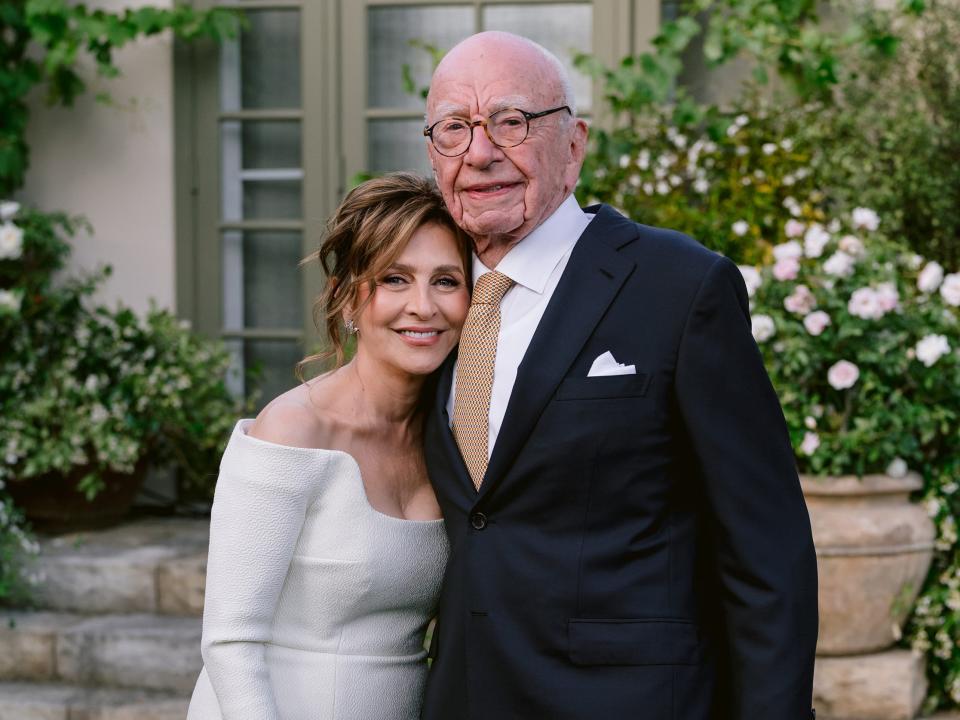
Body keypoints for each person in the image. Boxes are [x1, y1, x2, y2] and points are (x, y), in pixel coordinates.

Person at [420, 32, 819, 720]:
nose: (480, 154)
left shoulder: (681, 286)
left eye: (510, 122)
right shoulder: (427, 301)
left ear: (573, 144)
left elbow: (766, 552)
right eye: (454, 129)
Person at [186, 172, 471, 720]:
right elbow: (230, 642)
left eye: (445, 280)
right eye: (394, 279)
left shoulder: (457, 438)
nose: (423, 306)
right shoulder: (292, 430)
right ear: (346, 298)